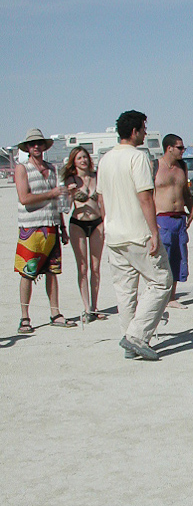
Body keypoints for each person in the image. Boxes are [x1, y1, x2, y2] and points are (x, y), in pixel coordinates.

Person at [97, 110, 173, 360]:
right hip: (137, 234)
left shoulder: (106, 159)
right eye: (143, 128)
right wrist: (154, 231)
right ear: (134, 132)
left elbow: (101, 199)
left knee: (125, 291)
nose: (145, 133)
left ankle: (130, 340)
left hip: (115, 235)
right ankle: (137, 337)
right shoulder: (137, 157)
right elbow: (145, 198)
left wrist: (108, 224)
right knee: (162, 281)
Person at [14, 128, 76, 333]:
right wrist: (51, 193)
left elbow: (57, 201)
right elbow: (24, 198)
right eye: (32, 144)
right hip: (31, 227)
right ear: (28, 148)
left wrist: (63, 228)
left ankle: (55, 312)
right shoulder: (22, 169)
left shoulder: (51, 168)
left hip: (51, 226)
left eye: (39, 143)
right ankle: (25, 317)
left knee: (52, 272)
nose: (36, 147)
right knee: (27, 273)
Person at [61, 146, 107, 323]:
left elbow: (103, 202)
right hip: (78, 224)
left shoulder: (97, 177)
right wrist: (70, 193)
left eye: (85, 157)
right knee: (82, 267)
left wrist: (105, 222)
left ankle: (95, 307)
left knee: (95, 267)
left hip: (97, 223)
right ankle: (86, 307)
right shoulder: (71, 180)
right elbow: (65, 207)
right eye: (79, 158)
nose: (83, 160)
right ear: (74, 161)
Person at [154, 133, 193, 309]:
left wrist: (191, 208)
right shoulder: (154, 166)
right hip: (162, 217)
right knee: (162, 259)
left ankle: (172, 297)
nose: (183, 150)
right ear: (169, 148)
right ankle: (159, 297)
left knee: (178, 258)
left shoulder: (182, 167)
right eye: (179, 147)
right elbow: (146, 194)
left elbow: (185, 190)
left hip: (179, 216)